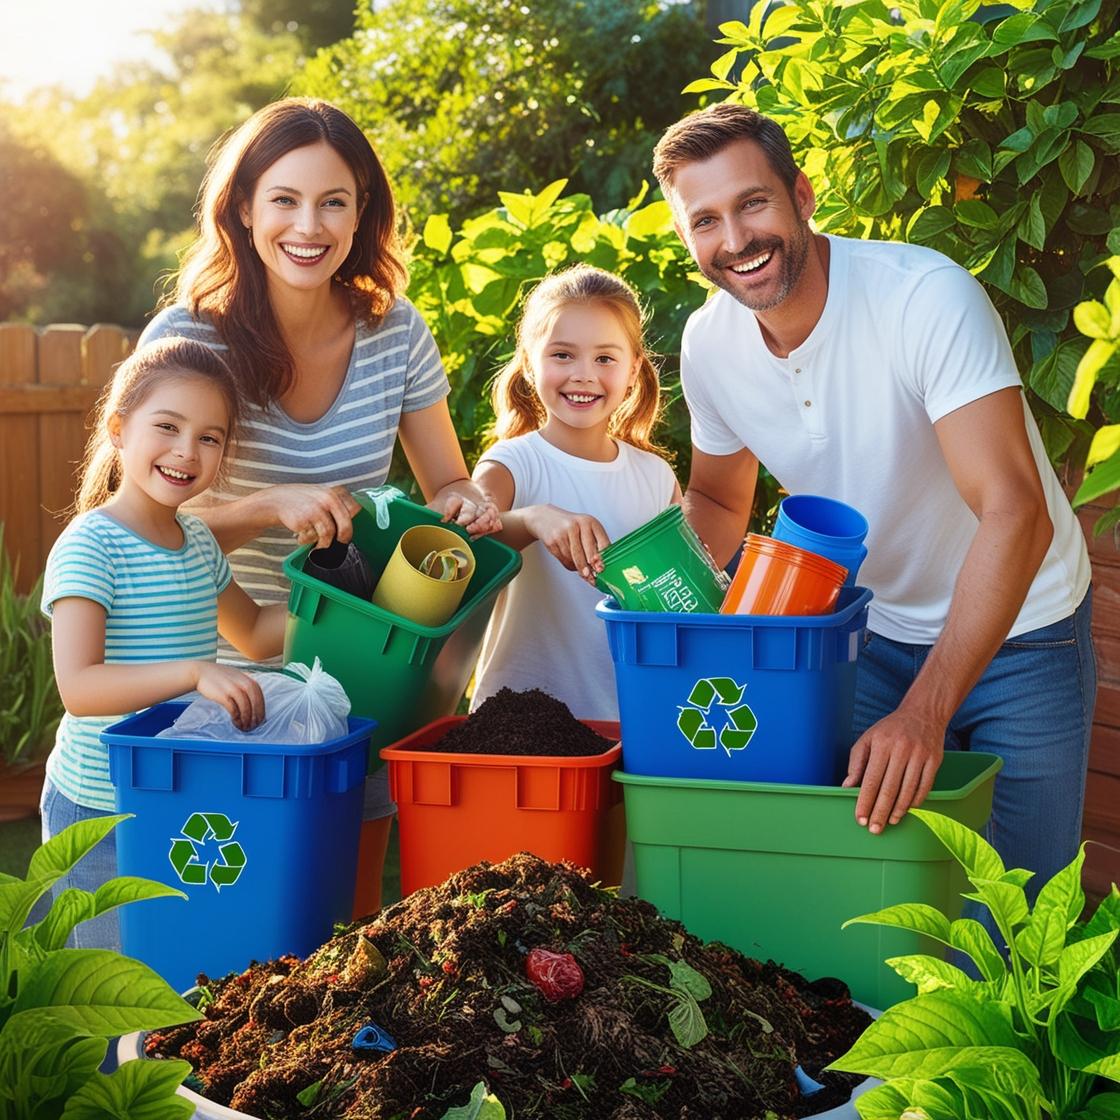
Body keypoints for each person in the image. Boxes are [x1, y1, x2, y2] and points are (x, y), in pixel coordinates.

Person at [652, 103, 1094, 897]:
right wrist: (654, 592)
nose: (735, 240)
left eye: (753, 203)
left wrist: (925, 713)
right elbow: (719, 500)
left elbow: (1014, 508)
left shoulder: (922, 297)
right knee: (860, 896)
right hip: (872, 632)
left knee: (1024, 915)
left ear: (802, 195)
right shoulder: (709, 343)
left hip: (1026, 632)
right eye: (705, 220)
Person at [138, 98, 500, 915]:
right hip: (214, 675)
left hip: (346, 675)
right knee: (219, 916)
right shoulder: (191, 338)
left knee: (348, 917)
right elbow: (131, 522)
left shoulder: (394, 331)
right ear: (242, 208)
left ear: (362, 211)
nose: (310, 225)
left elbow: (449, 481)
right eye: (285, 199)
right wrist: (268, 504)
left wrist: (466, 502)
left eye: (334, 201)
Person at [41, 337, 288, 950]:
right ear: (119, 430)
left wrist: (350, 608)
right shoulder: (91, 545)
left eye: (210, 437)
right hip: (100, 808)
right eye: (168, 426)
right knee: (106, 989)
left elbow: (255, 634)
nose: (187, 451)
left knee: (176, 969)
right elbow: (79, 687)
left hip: (177, 794)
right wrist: (194, 672)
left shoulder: (199, 544)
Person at [471, 265, 680, 720]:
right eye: (562, 355)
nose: (584, 375)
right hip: (517, 726)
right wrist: (531, 520)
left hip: (633, 723)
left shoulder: (657, 478)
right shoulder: (510, 464)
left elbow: (681, 600)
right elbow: (465, 551)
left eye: (605, 358)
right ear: (529, 363)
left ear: (632, 371)